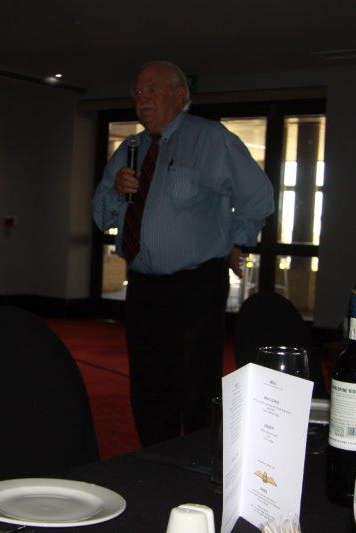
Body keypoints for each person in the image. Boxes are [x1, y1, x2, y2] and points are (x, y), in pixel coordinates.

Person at [92, 61, 274, 446]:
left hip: (195, 286)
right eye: (137, 92)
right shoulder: (131, 148)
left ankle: (195, 458)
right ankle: (154, 456)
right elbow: (100, 216)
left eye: (152, 90)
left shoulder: (211, 140)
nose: (142, 99)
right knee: (148, 383)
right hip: (143, 287)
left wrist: (236, 241)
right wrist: (116, 191)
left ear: (179, 95)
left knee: (195, 383)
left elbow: (258, 196)